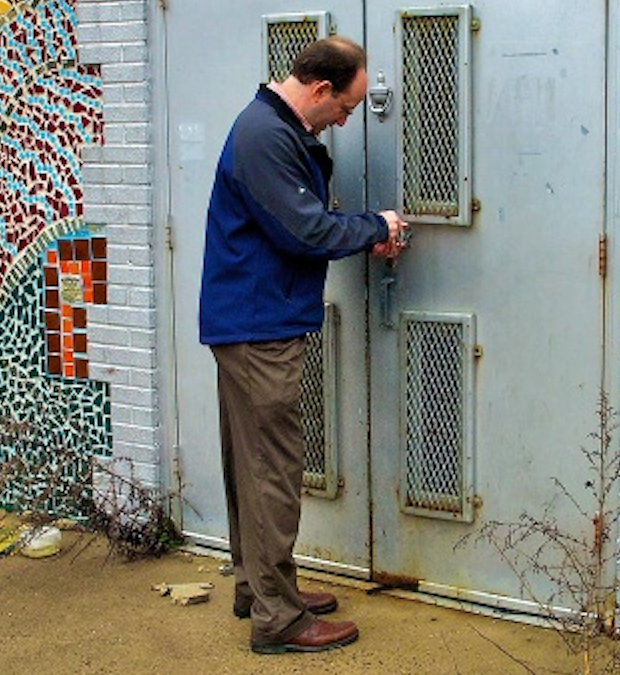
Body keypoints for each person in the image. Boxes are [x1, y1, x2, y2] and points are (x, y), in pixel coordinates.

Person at [198, 35, 407, 654]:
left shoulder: (271, 127)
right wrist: (378, 226)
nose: (345, 120)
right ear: (321, 90)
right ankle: (279, 620)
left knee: (252, 465)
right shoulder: (265, 135)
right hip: (259, 326)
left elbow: (298, 224)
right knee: (271, 473)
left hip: (251, 319)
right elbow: (304, 229)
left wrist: (359, 233)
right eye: (346, 108)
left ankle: (260, 588)